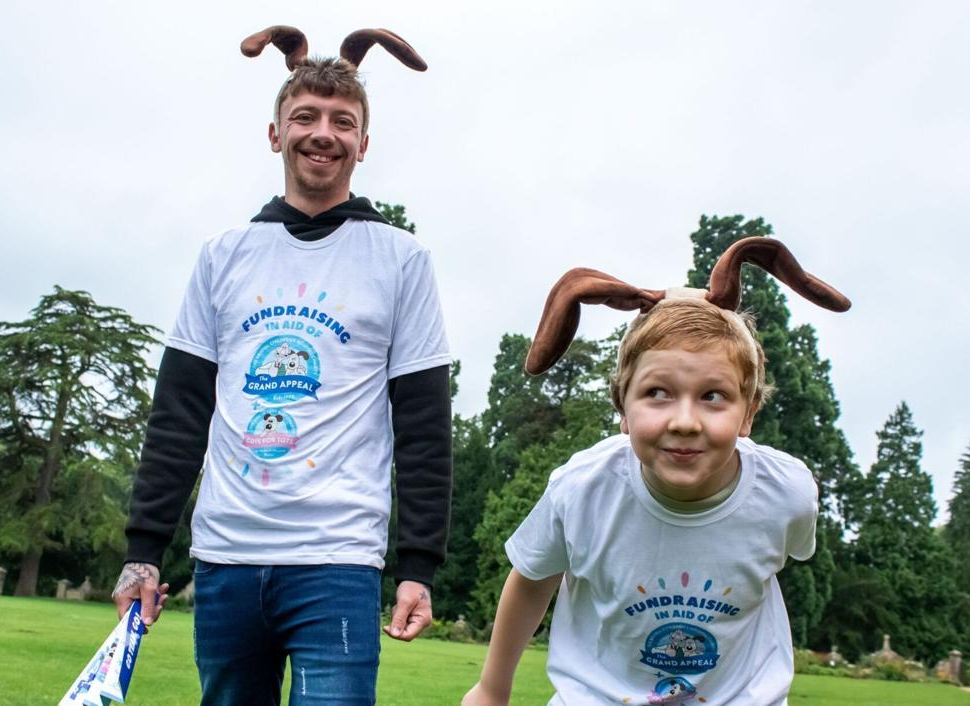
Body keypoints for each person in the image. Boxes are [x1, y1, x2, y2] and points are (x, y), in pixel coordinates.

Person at [111, 26, 452, 706]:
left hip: (337, 558)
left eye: (342, 121)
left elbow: (424, 427)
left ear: (363, 142)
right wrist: (144, 546)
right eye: (306, 117)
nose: (323, 133)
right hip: (227, 557)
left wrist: (418, 566)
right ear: (276, 133)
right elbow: (179, 412)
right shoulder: (223, 255)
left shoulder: (402, 260)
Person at [463, 239, 850, 705]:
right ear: (622, 407)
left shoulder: (786, 494)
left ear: (748, 414)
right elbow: (532, 579)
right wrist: (491, 688)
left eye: (713, 396)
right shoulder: (582, 489)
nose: (684, 421)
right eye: (658, 393)